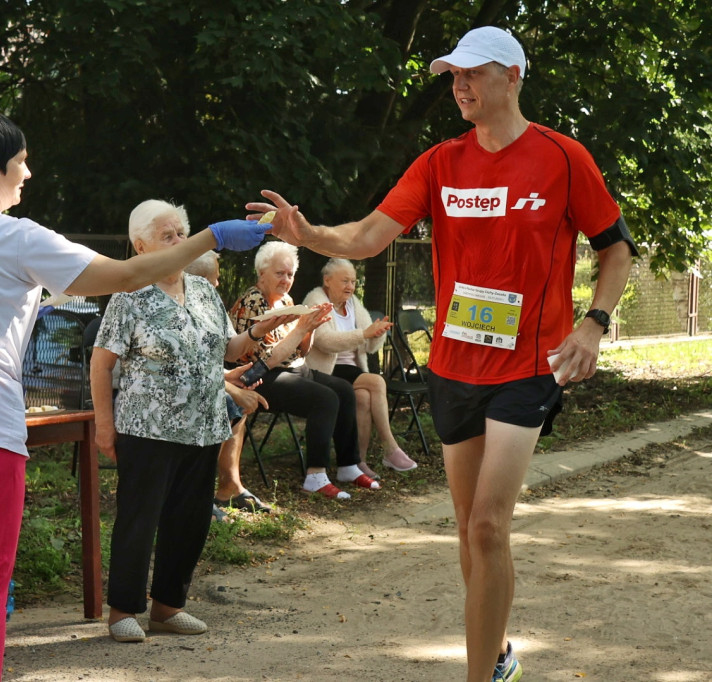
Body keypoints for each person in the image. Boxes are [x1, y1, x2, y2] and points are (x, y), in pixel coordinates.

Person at [249, 26, 636, 682]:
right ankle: (502, 653)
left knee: (487, 524)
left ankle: (479, 673)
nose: (458, 86)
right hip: (454, 367)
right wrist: (309, 232)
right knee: (467, 529)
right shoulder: (439, 162)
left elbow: (616, 248)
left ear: (512, 76)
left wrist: (595, 322)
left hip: (529, 367)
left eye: (472, 74)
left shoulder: (563, 158)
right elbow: (370, 233)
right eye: (452, 75)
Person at [0, 112, 269, 682]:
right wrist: (211, 238)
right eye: (21, 161)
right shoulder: (18, 235)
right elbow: (128, 276)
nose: (28, 172)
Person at [92, 200, 286, 643]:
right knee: (139, 520)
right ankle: (124, 610)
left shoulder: (201, 290)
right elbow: (101, 365)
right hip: (147, 428)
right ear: (140, 246)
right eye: (168, 236)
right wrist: (105, 426)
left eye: (182, 233)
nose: (180, 243)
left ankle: (167, 608)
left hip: (203, 426)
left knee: (190, 520)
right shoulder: (129, 294)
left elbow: (229, 350)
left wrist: (259, 330)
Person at [229, 241, 382, 499]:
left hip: (292, 370)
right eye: (280, 273)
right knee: (325, 398)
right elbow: (266, 360)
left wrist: (310, 327)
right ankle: (315, 475)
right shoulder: (253, 301)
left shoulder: (287, 301)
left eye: (290, 274)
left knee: (344, 390)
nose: (286, 280)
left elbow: (300, 352)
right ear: (262, 272)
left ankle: (348, 465)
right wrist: (301, 328)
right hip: (259, 376)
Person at [302, 258, 419, 477]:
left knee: (364, 397)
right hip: (325, 370)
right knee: (376, 381)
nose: (350, 287)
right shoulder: (315, 299)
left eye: (353, 282)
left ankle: (357, 463)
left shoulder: (353, 302)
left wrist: (377, 333)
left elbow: (370, 346)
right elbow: (324, 341)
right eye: (345, 281)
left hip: (351, 370)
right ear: (327, 280)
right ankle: (390, 447)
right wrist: (364, 334)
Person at [184, 251, 273, 514]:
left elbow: (222, 353)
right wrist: (229, 387)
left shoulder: (205, 305)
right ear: (196, 280)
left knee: (233, 400)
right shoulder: (174, 306)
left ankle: (229, 486)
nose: (218, 284)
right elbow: (183, 367)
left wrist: (227, 376)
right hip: (157, 393)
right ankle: (197, 495)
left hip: (198, 382)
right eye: (215, 279)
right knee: (226, 401)